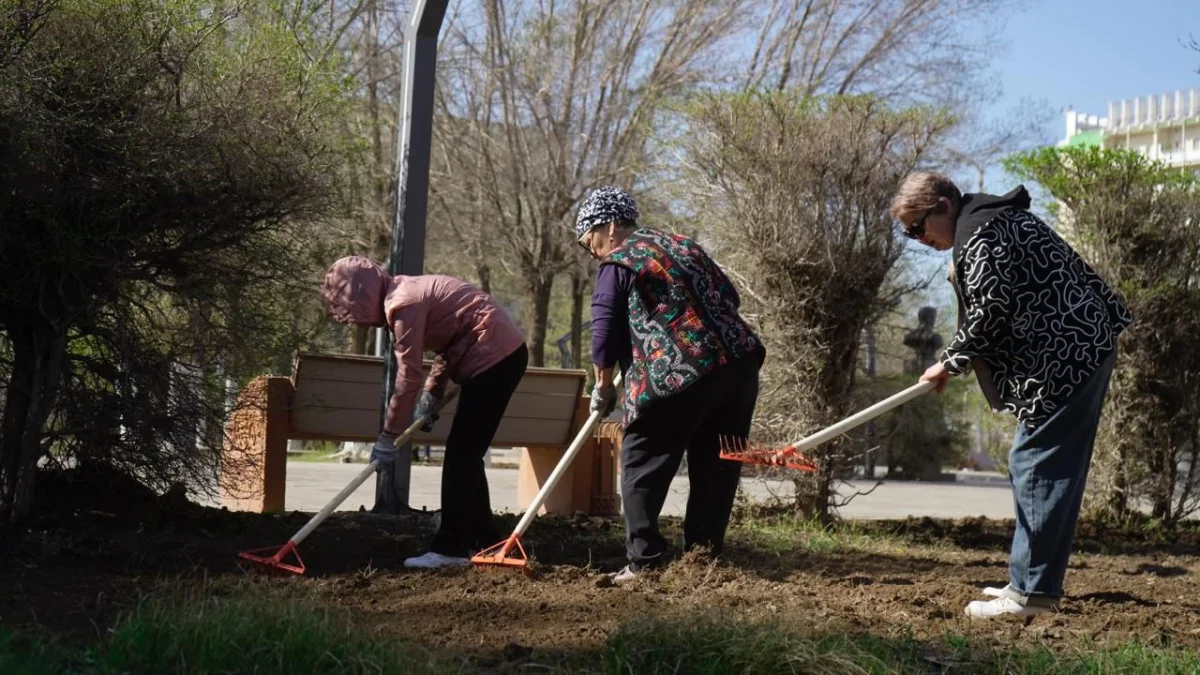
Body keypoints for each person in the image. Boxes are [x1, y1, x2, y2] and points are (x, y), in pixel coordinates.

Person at [889, 172, 1132, 619]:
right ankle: (1030, 581)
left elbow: (992, 309)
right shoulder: (987, 221)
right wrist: (955, 360)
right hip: (1076, 347)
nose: (918, 239)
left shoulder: (981, 232)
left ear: (943, 206)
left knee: (1035, 464)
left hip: (1067, 353)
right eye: (909, 233)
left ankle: (1031, 594)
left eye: (917, 227)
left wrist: (948, 362)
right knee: (1040, 466)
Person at [575, 186, 766, 585]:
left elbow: (603, 333)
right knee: (717, 465)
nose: (591, 251)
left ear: (609, 227)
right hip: (739, 363)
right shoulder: (685, 246)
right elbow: (729, 297)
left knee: (642, 457)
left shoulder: (619, 262)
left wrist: (603, 386)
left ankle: (644, 563)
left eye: (589, 240)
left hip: (680, 370)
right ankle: (703, 559)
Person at [322, 256, 528, 569]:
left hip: (494, 357)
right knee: (466, 455)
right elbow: (451, 343)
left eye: (353, 313)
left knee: (461, 455)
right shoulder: (407, 294)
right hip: (501, 354)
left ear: (363, 296)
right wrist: (432, 393)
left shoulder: (403, 305)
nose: (358, 324)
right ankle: (482, 539)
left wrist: (389, 435)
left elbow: (408, 377)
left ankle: (451, 547)